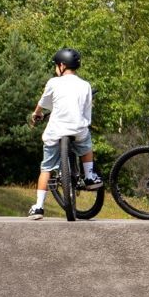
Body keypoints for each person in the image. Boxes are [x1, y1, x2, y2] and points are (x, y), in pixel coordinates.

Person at [27, 48, 102, 219]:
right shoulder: (85, 85)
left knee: (46, 168)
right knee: (86, 145)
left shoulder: (54, 83)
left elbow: (43, 103)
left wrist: (37, 113)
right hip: (78, 129)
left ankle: (38, 207)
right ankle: (89, 176)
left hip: (56, 131)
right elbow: (86, 113)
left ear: (61, 66)